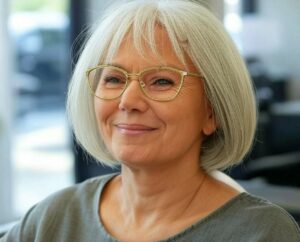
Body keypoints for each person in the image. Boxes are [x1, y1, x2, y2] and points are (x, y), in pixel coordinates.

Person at [2, 1, 300, 241]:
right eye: (114, 78)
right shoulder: (53, 219)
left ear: (212, 112)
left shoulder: (263, 233)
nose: (128, 101)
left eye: (161, 81)